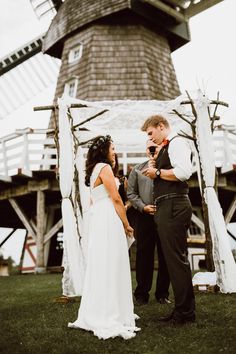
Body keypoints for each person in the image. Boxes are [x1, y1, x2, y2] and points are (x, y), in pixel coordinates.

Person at [68, 135, 140, 339]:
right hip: (109, 218)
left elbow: (97, 200)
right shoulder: (104, 167)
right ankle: (111, 311)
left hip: (100, 217)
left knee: (103, 262)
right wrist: (126, 224)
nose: (114, 152)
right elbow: (116, 199)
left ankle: (102, 308)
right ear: (104, 151)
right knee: (113, 261)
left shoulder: (94, 170)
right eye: (112, 148)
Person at [141, 115, 196, 325]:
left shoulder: (177, 142)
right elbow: (162, 171)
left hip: (174, 204)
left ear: (161, 126)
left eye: (150, 133)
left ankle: (185, 313)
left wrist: (158, 172)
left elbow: (183, 172)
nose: (150, 138)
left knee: (176, 260)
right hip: (167, 205)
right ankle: (182, 310)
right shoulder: (165, 147)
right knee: (174, 261)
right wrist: (154, 161)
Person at [127, 140, 170, 305]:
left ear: (161, 148)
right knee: (144, 254)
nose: (152, 149)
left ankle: (162, 294)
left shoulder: (168, 168)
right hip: (144, 216)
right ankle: (141, 294)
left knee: (165, 254)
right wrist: (143, 207)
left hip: (164, 214)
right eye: (149, 147)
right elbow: (131, 193)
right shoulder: (137, 170)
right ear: (146, 150)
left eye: (155, 147)